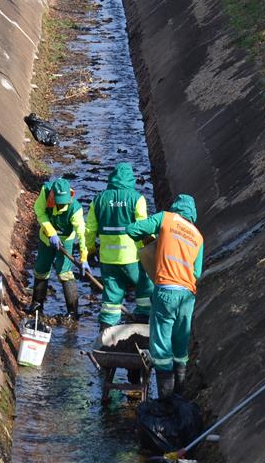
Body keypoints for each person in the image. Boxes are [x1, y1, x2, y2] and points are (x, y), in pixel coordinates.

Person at [125, 194, 204, 399]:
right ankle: (179, 396)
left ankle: (166, 401)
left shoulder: (166, 218)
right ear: (192, 214)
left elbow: (132, 230)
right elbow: (197, 273)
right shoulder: (197, 236)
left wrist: (152, 241)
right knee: (180, 346)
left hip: (166, 291)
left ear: (176, 207)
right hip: (187, 296)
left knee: (161, 347)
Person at [84, 163, 154, 327]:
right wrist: (153, 249)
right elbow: (143, 228)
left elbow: (90, 230)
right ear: (131, 179)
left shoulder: (98, 200)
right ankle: (143, 321)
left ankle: (107, 328)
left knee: (111, 295)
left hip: (108, 258)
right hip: (133, 258)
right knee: (144, 287)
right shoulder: (137, 199)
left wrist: (90, 250)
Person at [27, 177, 89, 318]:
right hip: (46, 237)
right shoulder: (46, 191)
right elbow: (39, 211)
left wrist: (84, 257)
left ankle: (72, 312)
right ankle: (37, 305)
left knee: (64, 272)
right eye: (58, 202)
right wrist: (51, 232)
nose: (60, 206)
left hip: (65, 239)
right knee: (41, 268)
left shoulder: (75, 209)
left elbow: (81, 234)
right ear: (52, 196)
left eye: (63, 203)